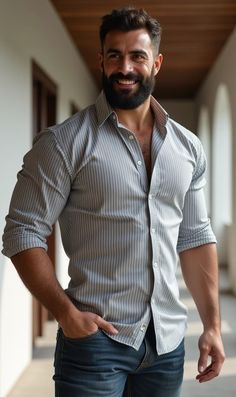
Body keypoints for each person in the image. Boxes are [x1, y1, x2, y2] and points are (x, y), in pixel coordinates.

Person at [2, 7, 225, 397]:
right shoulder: (64, 143)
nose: (125, 67)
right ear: (101, 61)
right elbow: (22, 231)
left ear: (156, 62)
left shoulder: (187, 147)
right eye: (114, 55)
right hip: (94, 345)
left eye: (137, 56)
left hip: (167, 343)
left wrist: (211, 325)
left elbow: (195, 236)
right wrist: (65, 313)